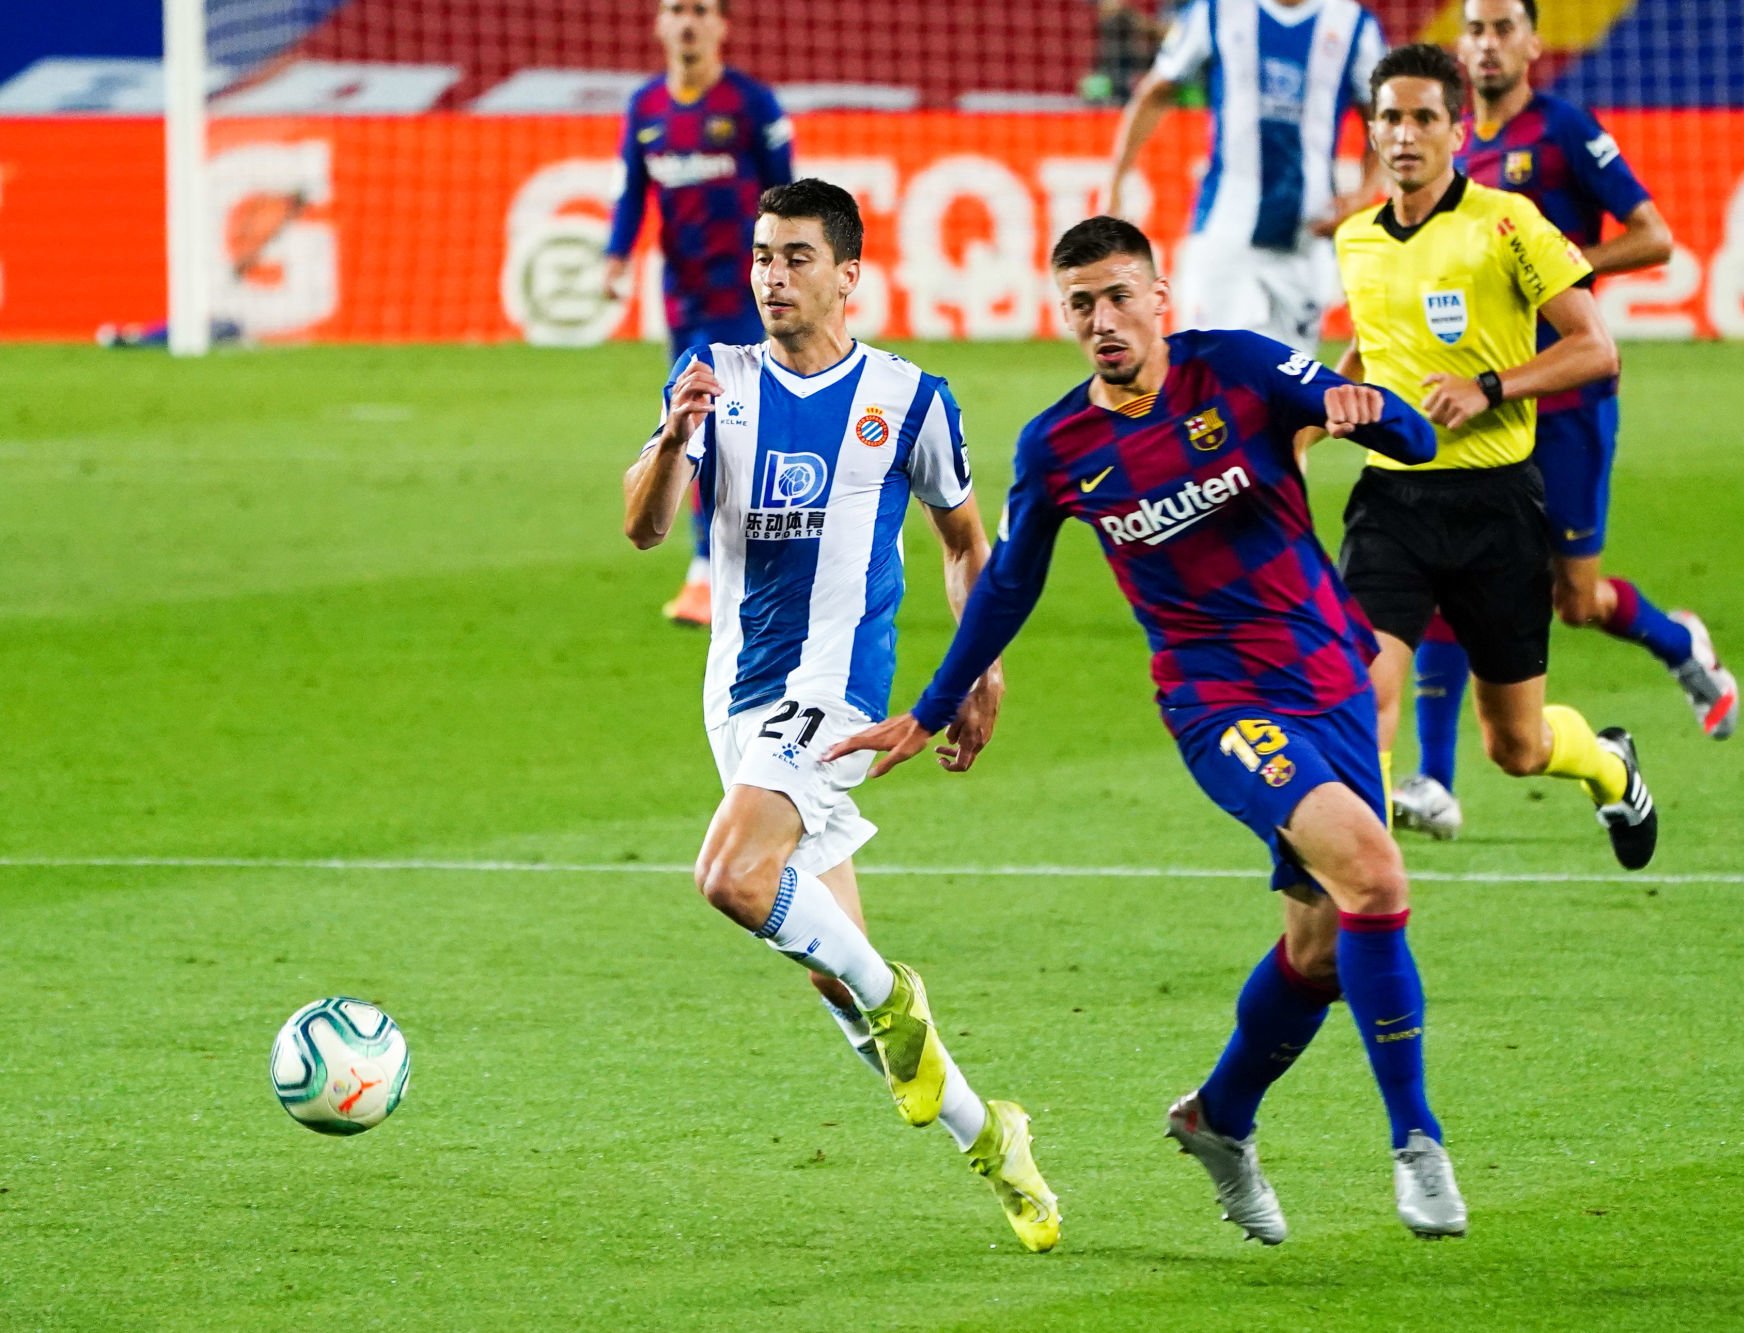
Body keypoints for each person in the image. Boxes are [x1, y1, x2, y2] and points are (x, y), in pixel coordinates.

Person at [828, 215, 1468, 1243]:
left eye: (1120, 295)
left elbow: (1418, 439)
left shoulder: (1244, 372)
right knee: (1375, 875)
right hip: (1215, 703)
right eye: (1080, 303)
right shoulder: (1059, 447)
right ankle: (1416, 1143)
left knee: (1313, 946)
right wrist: (933, 706)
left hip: (1327, 675)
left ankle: (1217, 1118)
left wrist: (1372, 414)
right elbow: (1007, 586)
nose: (1102, 320)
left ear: (1161, 297)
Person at [621, 179, 1059, 1253]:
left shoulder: (908, 399)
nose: (772, 276)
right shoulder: (711, 382)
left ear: (848, 275)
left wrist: (977, 662)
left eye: (797, 258)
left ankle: (894, 992)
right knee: (831, 967)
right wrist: (673, 439)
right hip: (736, 701)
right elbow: (641, 531)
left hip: (834, 697)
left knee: (730, 876)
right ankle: (989, 1136)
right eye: (764, 257)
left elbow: (965, 544)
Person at [1391, 0, 1739, 841]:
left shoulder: (1565, 131)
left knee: (1575, 600)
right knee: (1445, 564)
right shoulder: (1449, 144)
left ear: (1533, 42)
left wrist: (1564, 266)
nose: (1486, 43)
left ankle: (1678, 644)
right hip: (1475, 394)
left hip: (1566, 398)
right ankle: (1434, 779)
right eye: (1473, 28)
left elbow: (1652, 236)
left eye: (1503, 26)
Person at [1332, 42, 1659, 868]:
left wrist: (1491, 385)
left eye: (1424, 119)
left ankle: (1609, 763)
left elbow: (1596, 349)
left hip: (1498, 505)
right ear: (1372, 132)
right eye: (1390, 119)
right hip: (1392, 503)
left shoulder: (1509, 222)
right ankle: (1368, 893)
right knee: (1363, 689)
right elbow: (1369, 351)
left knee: (1515, 744)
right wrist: (1302, 429)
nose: (1405, 135)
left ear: (1455, 129)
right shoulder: (1356, 240)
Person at [607, 0, 794, 628]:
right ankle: (722, 570)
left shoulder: (751, 104)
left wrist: (786, 272)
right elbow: (634, 192)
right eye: (677, 9)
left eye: (701, 10)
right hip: (682, 299)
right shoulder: (646, 109)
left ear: (722, 26)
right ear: (660, 24)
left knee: (710, 424)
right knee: (703, 424)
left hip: (745, 298)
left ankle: (709, 571)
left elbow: (786, 196)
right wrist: (614, 257)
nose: (688, 21)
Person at [1105, 0, 1388, 353]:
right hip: (1224, 234)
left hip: (1306, 235)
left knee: (1287, 390)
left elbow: (1382, 119)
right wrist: (1116, 184)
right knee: (1203, 373)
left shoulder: (1353, 25)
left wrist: (1365, 193)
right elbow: (1156, 91)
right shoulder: (1216, 11)